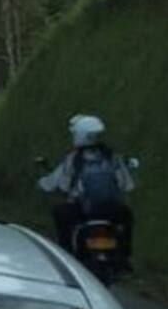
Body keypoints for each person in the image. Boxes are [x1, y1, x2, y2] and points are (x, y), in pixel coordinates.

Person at [37, 114, 135, 268]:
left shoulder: (74, 159)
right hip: (111, 210)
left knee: (59, 213)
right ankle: (125, 256)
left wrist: (43, 182)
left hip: (83, 212)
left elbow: (61, 185)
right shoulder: (112, 157)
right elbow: (126, 185)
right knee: (127, 216)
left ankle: (66, 256)